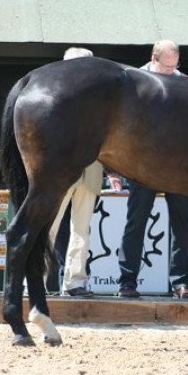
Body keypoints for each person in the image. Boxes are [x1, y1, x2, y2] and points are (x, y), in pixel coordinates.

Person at [117, 40, 188, 299]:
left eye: (175, 66)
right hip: (144, 164)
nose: (170, 72)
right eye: (165, 67)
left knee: (182, 225)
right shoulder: (133, 80)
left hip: (179, 166)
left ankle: (181, 282)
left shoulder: (184, 82)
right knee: (136, 222)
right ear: (153, 58)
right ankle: (127, 281)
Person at [48, 47, 122, 297]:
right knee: (48, 227)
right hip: (59, 172)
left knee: (82, 229)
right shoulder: (52, 96)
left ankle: (75, 282)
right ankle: (33, 282)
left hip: (90, 171)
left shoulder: (98, 103)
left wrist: (112, 171)